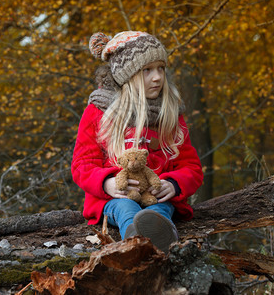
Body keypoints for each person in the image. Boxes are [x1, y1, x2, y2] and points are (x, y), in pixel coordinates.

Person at [71, 31, 203, 253]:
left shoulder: (170, 113)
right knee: (126, 207)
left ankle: (160, 236)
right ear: (127, 76)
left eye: (161, 68)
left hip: (157, 196)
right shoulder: (98, 112)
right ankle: (134, 242)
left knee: (158, 211)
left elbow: (192, 167)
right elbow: (82, 165)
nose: (158, 77)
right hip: (115, 198)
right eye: (147, 70)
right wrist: (107, 184)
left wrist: (174, 184)